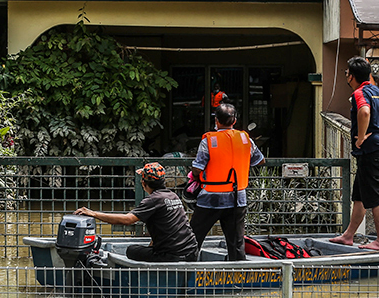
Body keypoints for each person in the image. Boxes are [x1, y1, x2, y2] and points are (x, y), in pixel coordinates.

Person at [74, 162, 198, 263]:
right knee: (146, 249)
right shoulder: (173, 196)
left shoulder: (153, 200)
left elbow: (128, 219)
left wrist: (94, 214)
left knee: (131, 250)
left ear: (143, 183)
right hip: (192, 252)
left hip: (172, 256)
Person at [329, 56, 379, 251]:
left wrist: (360, 137)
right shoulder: (376, 90)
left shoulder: (360, 92)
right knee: (360, 195)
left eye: (347, 73)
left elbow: (364, 112)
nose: (346, 75)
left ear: (352, 76)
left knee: (375, 197)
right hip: (378, 149)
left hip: (371, 150)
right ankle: (348, 235)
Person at [190, 103, 264, 261]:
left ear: (216, 121)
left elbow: (198, 168)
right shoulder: (245, 139)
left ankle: (185, 279)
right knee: (236, 244)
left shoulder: (209, 140)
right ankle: (238, 282)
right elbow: (260, 160)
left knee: (193, 240)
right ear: (235, 121)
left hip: (210, 198)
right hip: (238, 198)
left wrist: (196, 177)